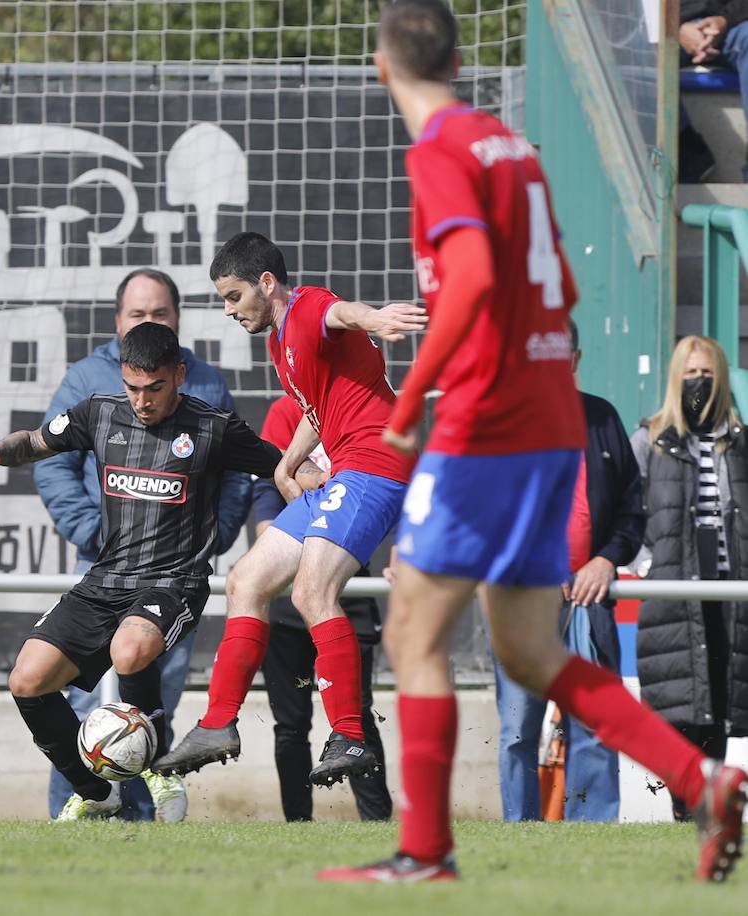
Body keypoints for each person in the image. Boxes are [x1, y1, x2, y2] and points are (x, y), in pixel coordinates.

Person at [321, 0, 746, 883]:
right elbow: (557, 290)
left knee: (411, 631)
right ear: (460, 54)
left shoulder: (439, 149)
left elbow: (470, 280)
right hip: (552, 418)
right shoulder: (508, 148)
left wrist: (411, 409)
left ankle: (425, 850)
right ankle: (701, 781)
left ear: (380, 65)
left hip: (488, 425)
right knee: (530, 652)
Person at [0, 322, 281, 821]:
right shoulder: (99, 414)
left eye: (154, 388)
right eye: (133, 387)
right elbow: (36, 441)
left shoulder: (213, 427)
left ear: (178, 375)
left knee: (129, 650)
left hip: (175, 580)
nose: (142, 400)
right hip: (106, 576)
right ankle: (94, 792)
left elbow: (279, 467)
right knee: (27, 679)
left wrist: (334, 484)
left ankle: (155, 770)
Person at [154, 232, 425, 785]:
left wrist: (373, 319)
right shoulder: (281, 342)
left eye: (233, 297)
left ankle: (349, 733)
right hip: (345, 467)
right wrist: (287, 464)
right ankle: (216, 724)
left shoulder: (304, 310)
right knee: (246, 580)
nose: (229, 310)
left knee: (309, 592)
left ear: (267, 284)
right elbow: (319, 408)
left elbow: (338, 312)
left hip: (375, 464)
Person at [34, 266, 252, 820]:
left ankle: (146, 816)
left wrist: (214, 536)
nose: (150, 320)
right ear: (118, 321)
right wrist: (93, 532)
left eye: (160, 312)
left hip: (174, 576)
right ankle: (83, 808)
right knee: (86, 706)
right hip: (106, 571)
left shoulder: (203, 381)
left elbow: (236, 473)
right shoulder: (88, 379)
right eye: (139, 313)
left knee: (153, 701)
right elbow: (53, 463)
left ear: (176, 320)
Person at [493, 320, 645, 823]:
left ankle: (593, 830)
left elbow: (632, 510)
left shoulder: (602, 419)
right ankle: (520, 830)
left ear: (575, 360)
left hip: (588, 599)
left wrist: (606, 559)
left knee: (596, 723)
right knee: (518, 728)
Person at [254, 396, 392, 822]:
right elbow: (265, 488)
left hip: (345, 587)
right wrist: (274, 542)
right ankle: (298, 823)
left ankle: (376, 821)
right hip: (289, 599)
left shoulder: (370, 410)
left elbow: (392, 484)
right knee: (292, 725)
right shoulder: (284, 411)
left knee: (357, 713)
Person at [631, 334, 748, 822]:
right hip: (674, 593)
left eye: (707, 374)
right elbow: (626, 508)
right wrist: (644, 563)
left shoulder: (740, 443)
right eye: (690, 374)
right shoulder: (650, 438)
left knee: (719, 703)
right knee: (678, 708)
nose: (698, 383)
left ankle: (709, 808)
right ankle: (686, 807)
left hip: (730, 593)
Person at [677, 3, 748, 183]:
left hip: (732, 24)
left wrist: (724, 20)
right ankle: (687, 152)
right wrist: (675, 27)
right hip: (658, 33)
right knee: (617, 59)